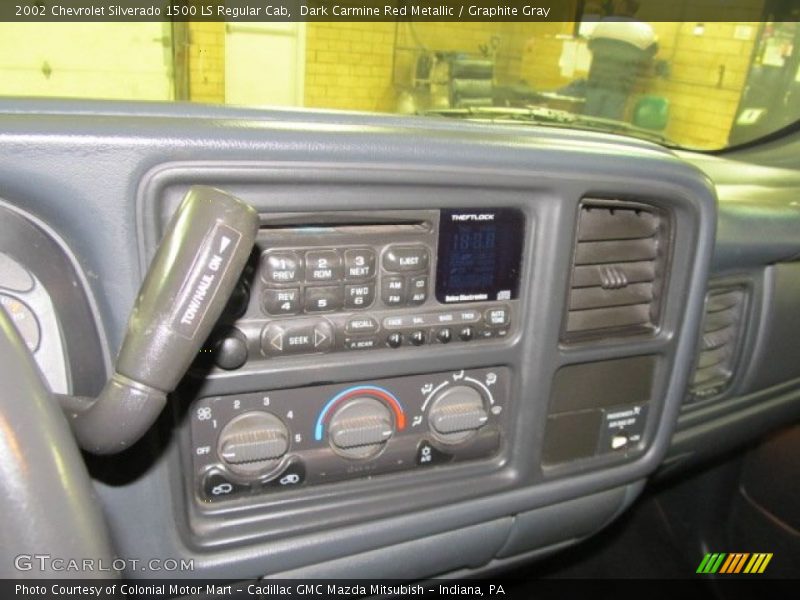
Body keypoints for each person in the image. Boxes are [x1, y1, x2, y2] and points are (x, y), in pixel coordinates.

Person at [584, 0, 657, 120]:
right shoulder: (644, 31)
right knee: (608, 124)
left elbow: (591, 47)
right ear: (636, 9)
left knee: (588, 121)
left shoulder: (602, 25)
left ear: (617, 6)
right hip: (620, 87)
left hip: (596, 82)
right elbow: (649, 55)